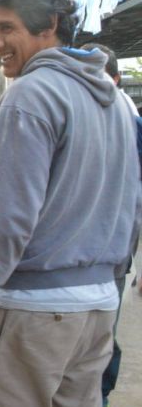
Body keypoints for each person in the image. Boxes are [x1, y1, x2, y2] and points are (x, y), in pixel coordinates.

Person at [0, 0, 141, 407]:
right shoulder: (119, 101)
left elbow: (4, 220)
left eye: (6, 28)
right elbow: (133, 201)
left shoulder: (30, 94)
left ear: (48, 23)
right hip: (99, 308)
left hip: (35, 312)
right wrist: (116, 276)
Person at [81, 42, 138, 407]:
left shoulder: (130, 121)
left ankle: (99, 397)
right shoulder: (67, 112)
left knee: (100, 344)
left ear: (115, 80)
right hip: (68, 264)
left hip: (111, 260)